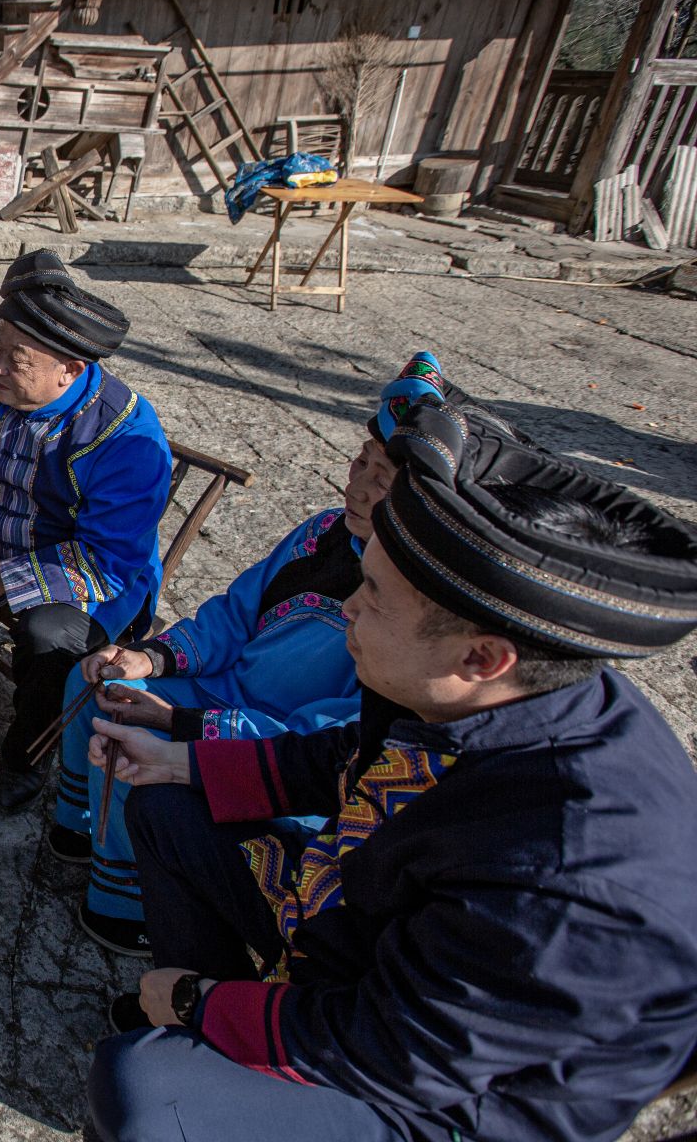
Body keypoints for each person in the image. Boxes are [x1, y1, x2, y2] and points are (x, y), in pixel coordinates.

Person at [85, 399, 697, 1142]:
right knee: (167, 803)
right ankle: (229, 1030)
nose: (345, 610)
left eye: (372, 596)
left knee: (146, 1091)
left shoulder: (570, 879)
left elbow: (397, 1050)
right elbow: (346, 760)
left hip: (446, 1091)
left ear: (480, 657)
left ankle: (211, 1037)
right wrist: (180, 757)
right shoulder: (492, 687)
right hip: (358, 930)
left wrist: (196, 1003)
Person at [49, 352, 467, 956]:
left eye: (383, 480)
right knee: (95, 685)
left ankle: (127, 900)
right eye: (360, 463)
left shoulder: (413, 609)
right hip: (226, 689)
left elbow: (331, 737)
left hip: (270, 742)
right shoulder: (323, 533)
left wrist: (182, 723)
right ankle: (84, 830)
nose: (358, 485)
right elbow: (235, 614)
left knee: (133, 749)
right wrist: (152, 660)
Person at [0, 249, 172, 813]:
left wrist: (6, 576)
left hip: (93, 582)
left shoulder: (129, 443)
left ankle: (26, 759)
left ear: (69, 370)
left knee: (48, 636)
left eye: (16, 359)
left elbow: (110, 562)